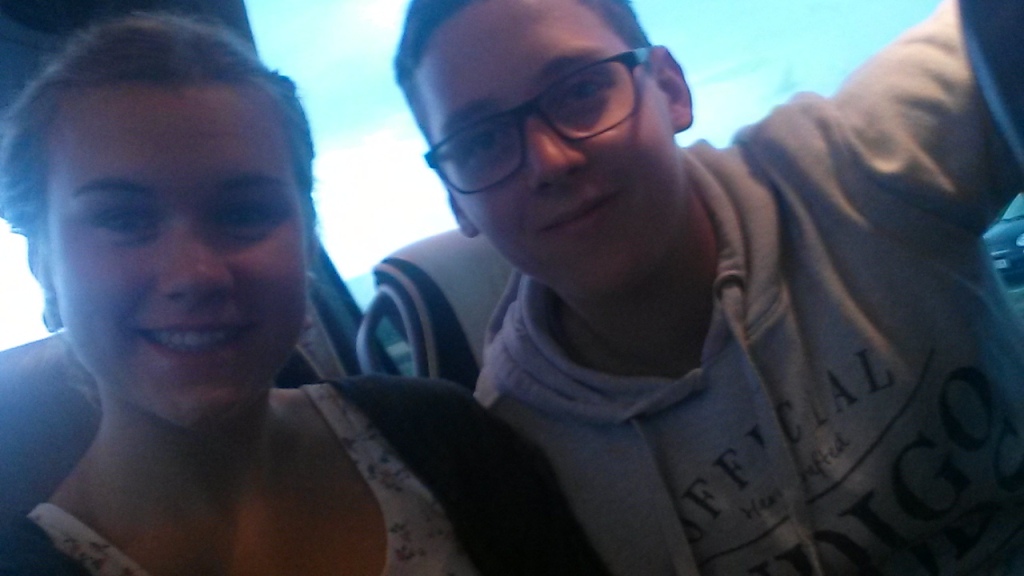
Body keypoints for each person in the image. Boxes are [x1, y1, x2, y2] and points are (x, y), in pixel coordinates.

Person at [393, 0, 1024, 573]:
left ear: (670, 89)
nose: (550, 162)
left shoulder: (853, 167)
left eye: (581, 89)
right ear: (456, 200)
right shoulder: (514, 449)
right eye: (480, 142)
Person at [0, 13, 610, 576]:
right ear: (43, 265)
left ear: (308, 239)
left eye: (244, 212)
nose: (195, 274)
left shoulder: (448, 439)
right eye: (122, 219)